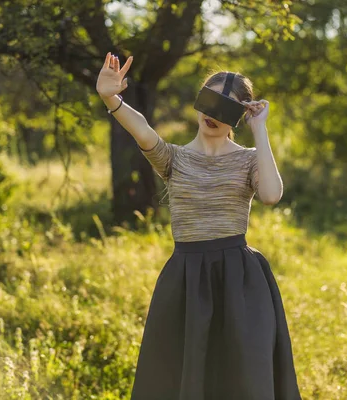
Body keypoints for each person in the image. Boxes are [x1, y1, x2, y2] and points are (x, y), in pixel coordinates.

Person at [97, 52, 302, 400]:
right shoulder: (173, 159)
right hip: (186, 281)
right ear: (198, 103)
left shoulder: (249, 160)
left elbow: (270, 194)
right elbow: (143, 129)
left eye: (228, 107)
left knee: (244, 383)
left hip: (241, 282)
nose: (214, 114)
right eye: (210, 101)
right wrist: (110, 97)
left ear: (240, 115)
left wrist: (260, 128)